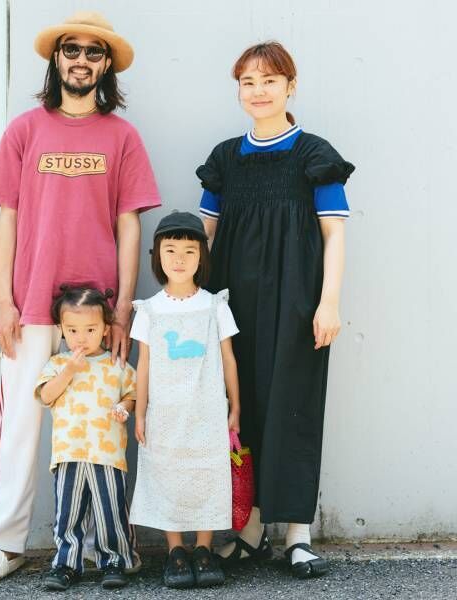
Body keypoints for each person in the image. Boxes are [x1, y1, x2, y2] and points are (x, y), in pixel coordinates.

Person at [0, 11, 160, 584]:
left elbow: (129, 224)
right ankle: (3, 543)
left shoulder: (122, 137)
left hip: (96, 312)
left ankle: (100, 546)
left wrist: (122, 308)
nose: (81, 59)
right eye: (71, 49)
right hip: (30, 301)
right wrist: (4, 300)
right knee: (21, 423)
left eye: (94, 52)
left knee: (99, 427)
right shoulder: (24, 130)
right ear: (56, 58)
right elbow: (7, 218)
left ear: (106, 65)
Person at [196, 41, 355, 579]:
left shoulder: (314, 154)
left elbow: (334, 234)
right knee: (241, 405)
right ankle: (248, 529)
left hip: (297, 301)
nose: (258, 91)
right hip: (232, 303)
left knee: (294, 404)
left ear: (291, 86)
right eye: (248, 82)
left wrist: (328, 302)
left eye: (269, 80)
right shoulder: (224, 159)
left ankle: (297, 535)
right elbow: (205, 236)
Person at [129, 211, 241, 589]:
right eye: (170, 251)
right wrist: (140, 412)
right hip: (164, 412)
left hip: (207, 410)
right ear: (157, 256)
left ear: (201, 257)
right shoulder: (150, 309)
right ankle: (176, 549)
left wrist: (235, 405)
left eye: (189, 251)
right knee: (167, 474)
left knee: (208, 473)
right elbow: (143, 364)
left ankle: (204, 548)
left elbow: (228, 358)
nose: (179, 259)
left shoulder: (214, 306)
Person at [34, 286, 136, 591]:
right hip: (69, 452)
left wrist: (124, 407)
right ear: (62, 330)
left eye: (90, 329)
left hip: (108, 453)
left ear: (105, 328)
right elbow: (46, 396)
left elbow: (132, 393)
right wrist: (68, 371)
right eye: (73, 330)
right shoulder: (57, 363)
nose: (81, 337)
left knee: (111, 511)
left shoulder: (116, 364)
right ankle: (66, 564)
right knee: (68, 513)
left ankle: (113, 560)